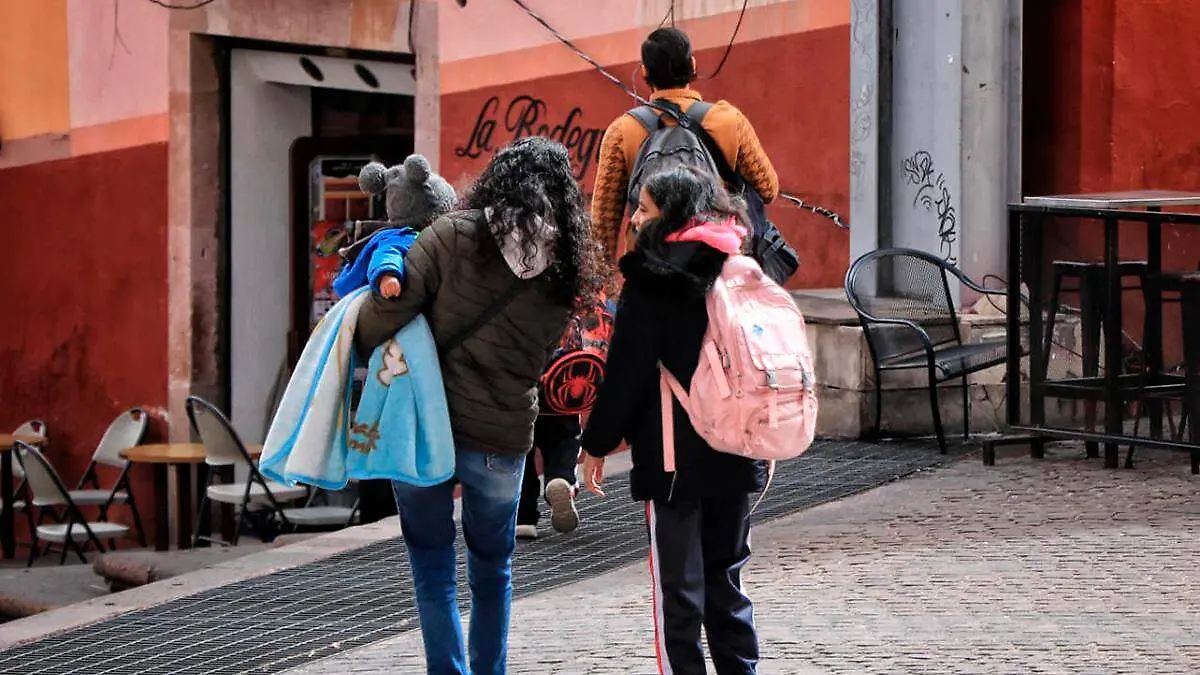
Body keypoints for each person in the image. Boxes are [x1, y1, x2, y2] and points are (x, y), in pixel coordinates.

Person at [355, 137, 605, 675]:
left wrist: (353, 335)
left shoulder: (451, 234)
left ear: (498, 178)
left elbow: (387, 314)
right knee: (493, 568)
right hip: (502, 433)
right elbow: (543, 354)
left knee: (432, 565)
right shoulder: (564, 265)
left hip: (425, 421)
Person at [580, 165, 766, 675]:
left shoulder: (651, 279)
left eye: (644, 209)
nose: (635, 219)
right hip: (736, 447)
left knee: (679, 594)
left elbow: (627, 372)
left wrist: (596, 443)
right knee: (727, 581)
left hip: (673, 460)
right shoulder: (739, 264)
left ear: (672, 214)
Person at [334, 154, 458, 525]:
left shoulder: (423, 241)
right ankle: (384, 506)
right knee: (391, 417)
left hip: (392, 351)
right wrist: (388, 278)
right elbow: (386, 258)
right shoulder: (402, 239)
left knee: (387, 417)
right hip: (397, 350)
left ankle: (385, 501)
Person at [590, 26, 780, 264]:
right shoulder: (729, 121)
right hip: (714, 263)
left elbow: (602, 226)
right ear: (692, 64)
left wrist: (602, 279)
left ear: (644, 71)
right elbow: (768, 188)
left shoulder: (622, 131)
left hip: (648, 268)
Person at [515, 414, 582, 539]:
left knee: (519, 449)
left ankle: (523, 518)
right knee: (564, 438)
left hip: (518, 407)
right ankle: (560, 477)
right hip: (556, 407)